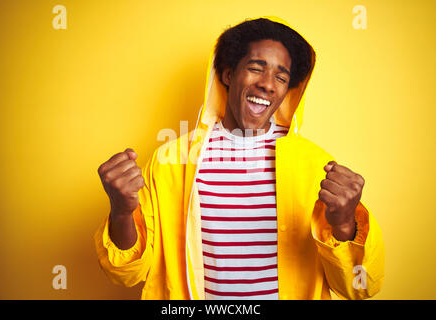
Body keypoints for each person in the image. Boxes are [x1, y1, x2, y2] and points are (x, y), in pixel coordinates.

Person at [94, 16, 384, 300]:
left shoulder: (317, 166)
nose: (268, 85)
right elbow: (126, 273)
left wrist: (345, 223)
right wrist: (121, 211)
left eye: (281, 78)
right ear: (229, 75)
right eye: (257, 69)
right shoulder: (172, 161)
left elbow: (359, 288)